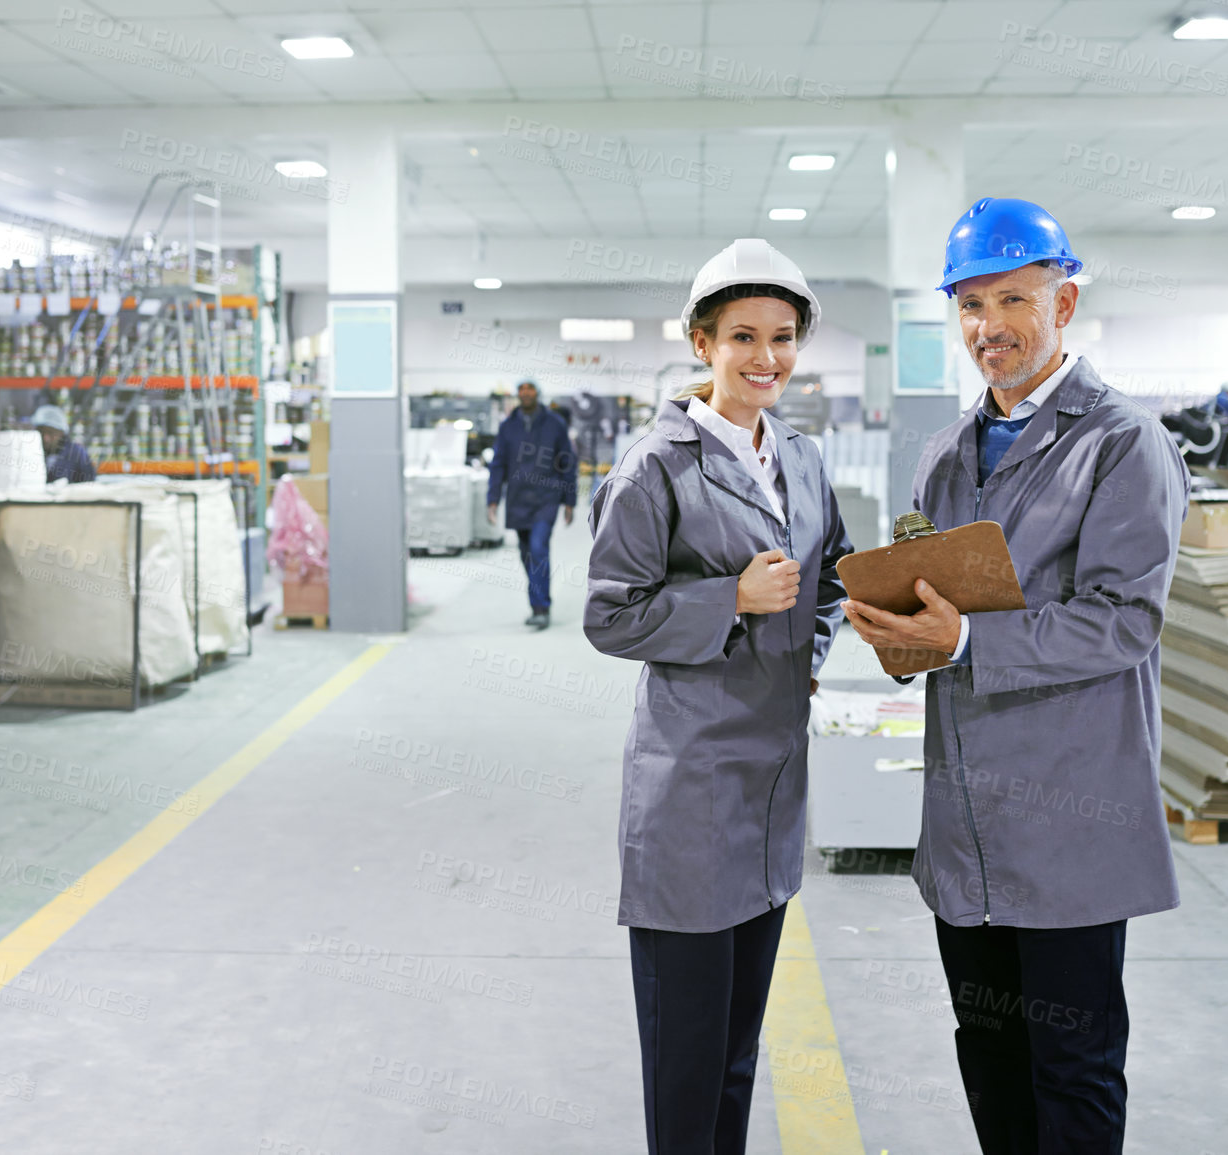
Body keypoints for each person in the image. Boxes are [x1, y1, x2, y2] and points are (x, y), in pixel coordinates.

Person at [839, 197, 1189, 1155]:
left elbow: (1125, 621)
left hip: (1071, 812)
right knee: (987, 1049)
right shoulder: (948, 451)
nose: (987, 327)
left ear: (1062, 302)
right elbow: (937, 599)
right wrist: (897, 631)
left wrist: (961, 645)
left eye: (1011, 299)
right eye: (968, 305)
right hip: (968, 822)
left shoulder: (1121, 442)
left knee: (1070, 1068)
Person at [583, 238, 853, 1155]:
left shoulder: (805, 461)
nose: (765, 357)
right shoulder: (652, 467)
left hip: (773, 784)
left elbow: (829, 580)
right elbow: (609, 617)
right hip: (692, 785)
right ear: (700, 342)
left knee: (738, 1050)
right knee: (686, 1058)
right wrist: (727, 601)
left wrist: (806, 648)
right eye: (742, 335)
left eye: (782, 337)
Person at [485, 379, 577, 629]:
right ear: (517, 395)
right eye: (522, 390)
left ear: (537, 393)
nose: (526, 394)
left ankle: (541, 607)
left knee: (538, 548)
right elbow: (498, 463)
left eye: (530, 389)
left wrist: (570, 500)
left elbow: (567, 461)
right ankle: (538, 600)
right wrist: (492, 499)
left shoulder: (554, 424)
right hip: (518, 499)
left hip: (546, 497)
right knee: (526, 554)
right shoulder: (508, 426)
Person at [34, 405, 95, 484]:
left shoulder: (77, 454)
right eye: (42, 432)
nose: (46, 438)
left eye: (51, 433)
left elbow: (91, 485)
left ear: (62, 433)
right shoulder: (33, 452)